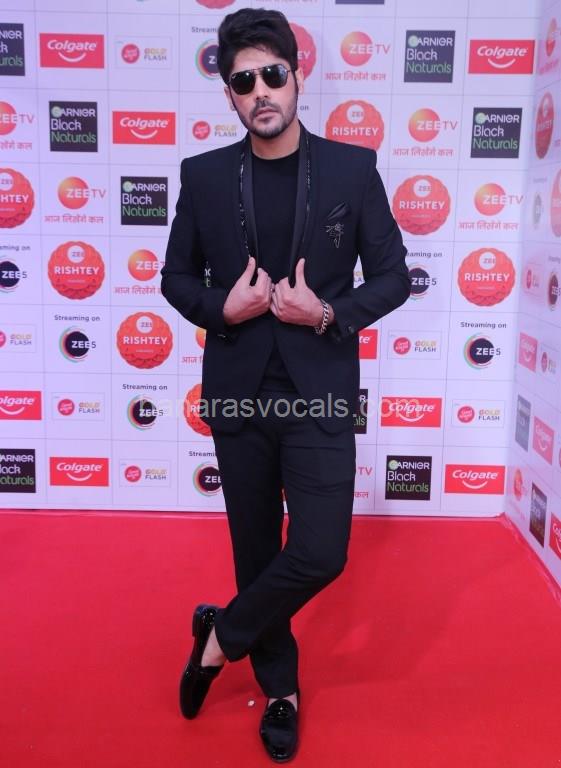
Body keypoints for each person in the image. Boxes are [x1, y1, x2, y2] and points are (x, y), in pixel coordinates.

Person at [161, 7, 410, 761]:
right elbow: (175, 278)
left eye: (272, 74)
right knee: (255, 550)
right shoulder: (203, 176)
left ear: (297, 78)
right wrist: (222, 308)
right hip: (238, 392)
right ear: (229, 95)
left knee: (321, 551)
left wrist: (326, 311)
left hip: (319, 390)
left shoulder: (351, 169)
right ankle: (281, 691)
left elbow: (393, 277)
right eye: (244, 82)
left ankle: (221, 635)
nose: (260, 91)